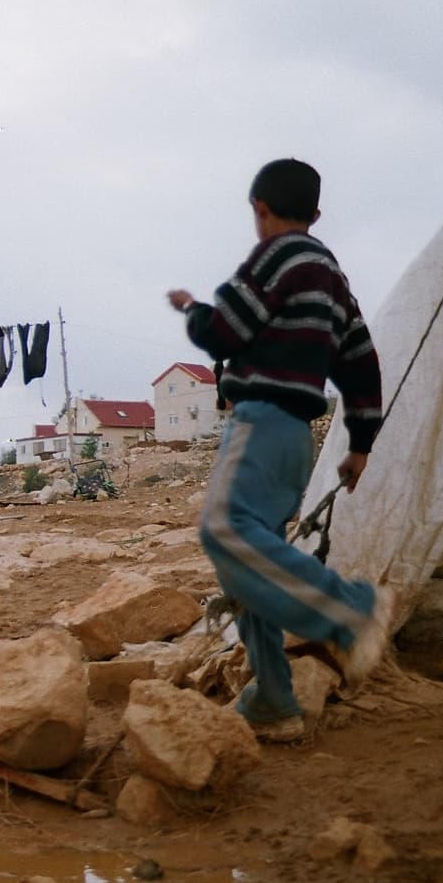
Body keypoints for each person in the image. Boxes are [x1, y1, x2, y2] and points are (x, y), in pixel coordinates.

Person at [167, 157, 396, 743]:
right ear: (316, 213)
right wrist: (360, 444)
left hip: (262, 423)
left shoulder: (279, 254)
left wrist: (192, 310)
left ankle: (351, 610)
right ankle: (274, 700)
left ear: (259, 209)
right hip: (297, 441)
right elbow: (361, 362)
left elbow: (224, 331)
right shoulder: (332, 278)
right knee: (250, 571)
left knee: (223, 530)